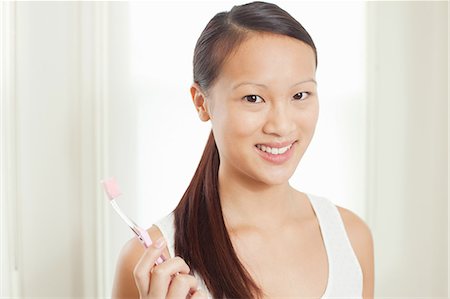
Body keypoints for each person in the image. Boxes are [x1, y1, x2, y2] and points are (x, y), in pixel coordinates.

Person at [112, 1, 374, 298]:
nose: (281, 125)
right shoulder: (154, 264)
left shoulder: (352, 238)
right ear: (201, 102)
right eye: (253, 98)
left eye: (300, 94)